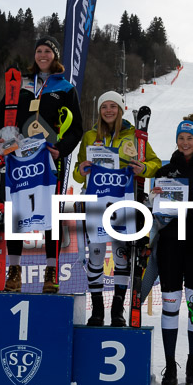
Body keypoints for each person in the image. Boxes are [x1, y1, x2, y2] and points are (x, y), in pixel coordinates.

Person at [0, 36, 83, 294]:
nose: (43, 55)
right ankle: (15, 270)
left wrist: (60, 150)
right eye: (39, 51)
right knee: (15, 211)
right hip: (18, 159)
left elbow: (77, 129)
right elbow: (0, 117)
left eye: (48, 51)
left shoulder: (65, 88)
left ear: (55, 56)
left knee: (51, 213)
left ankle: (51, 271)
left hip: (48, 160)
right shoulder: (19, 84)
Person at [73, 91, 161, 326]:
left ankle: (118, 310)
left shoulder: (134, 136)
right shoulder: (91, 136)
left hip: (124, 200)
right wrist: (81, 170)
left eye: (113, 106)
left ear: (121, 109)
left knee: (122, 255)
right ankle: (98, 309)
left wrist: (143, 167)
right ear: (100, 110)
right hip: (96, 200)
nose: (109, 110)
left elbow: (155, 164)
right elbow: (77, 173)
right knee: (97, 254)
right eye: (105, 106)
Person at [149, 114, 193, 385]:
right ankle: (170, 365)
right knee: (171, 304)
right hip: (171, 244)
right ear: (176, 140)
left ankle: (192, 364)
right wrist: (153, 198)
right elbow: (155, 210)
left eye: (190, 138)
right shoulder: (165, 171)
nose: (185, 142)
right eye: (181, 138)